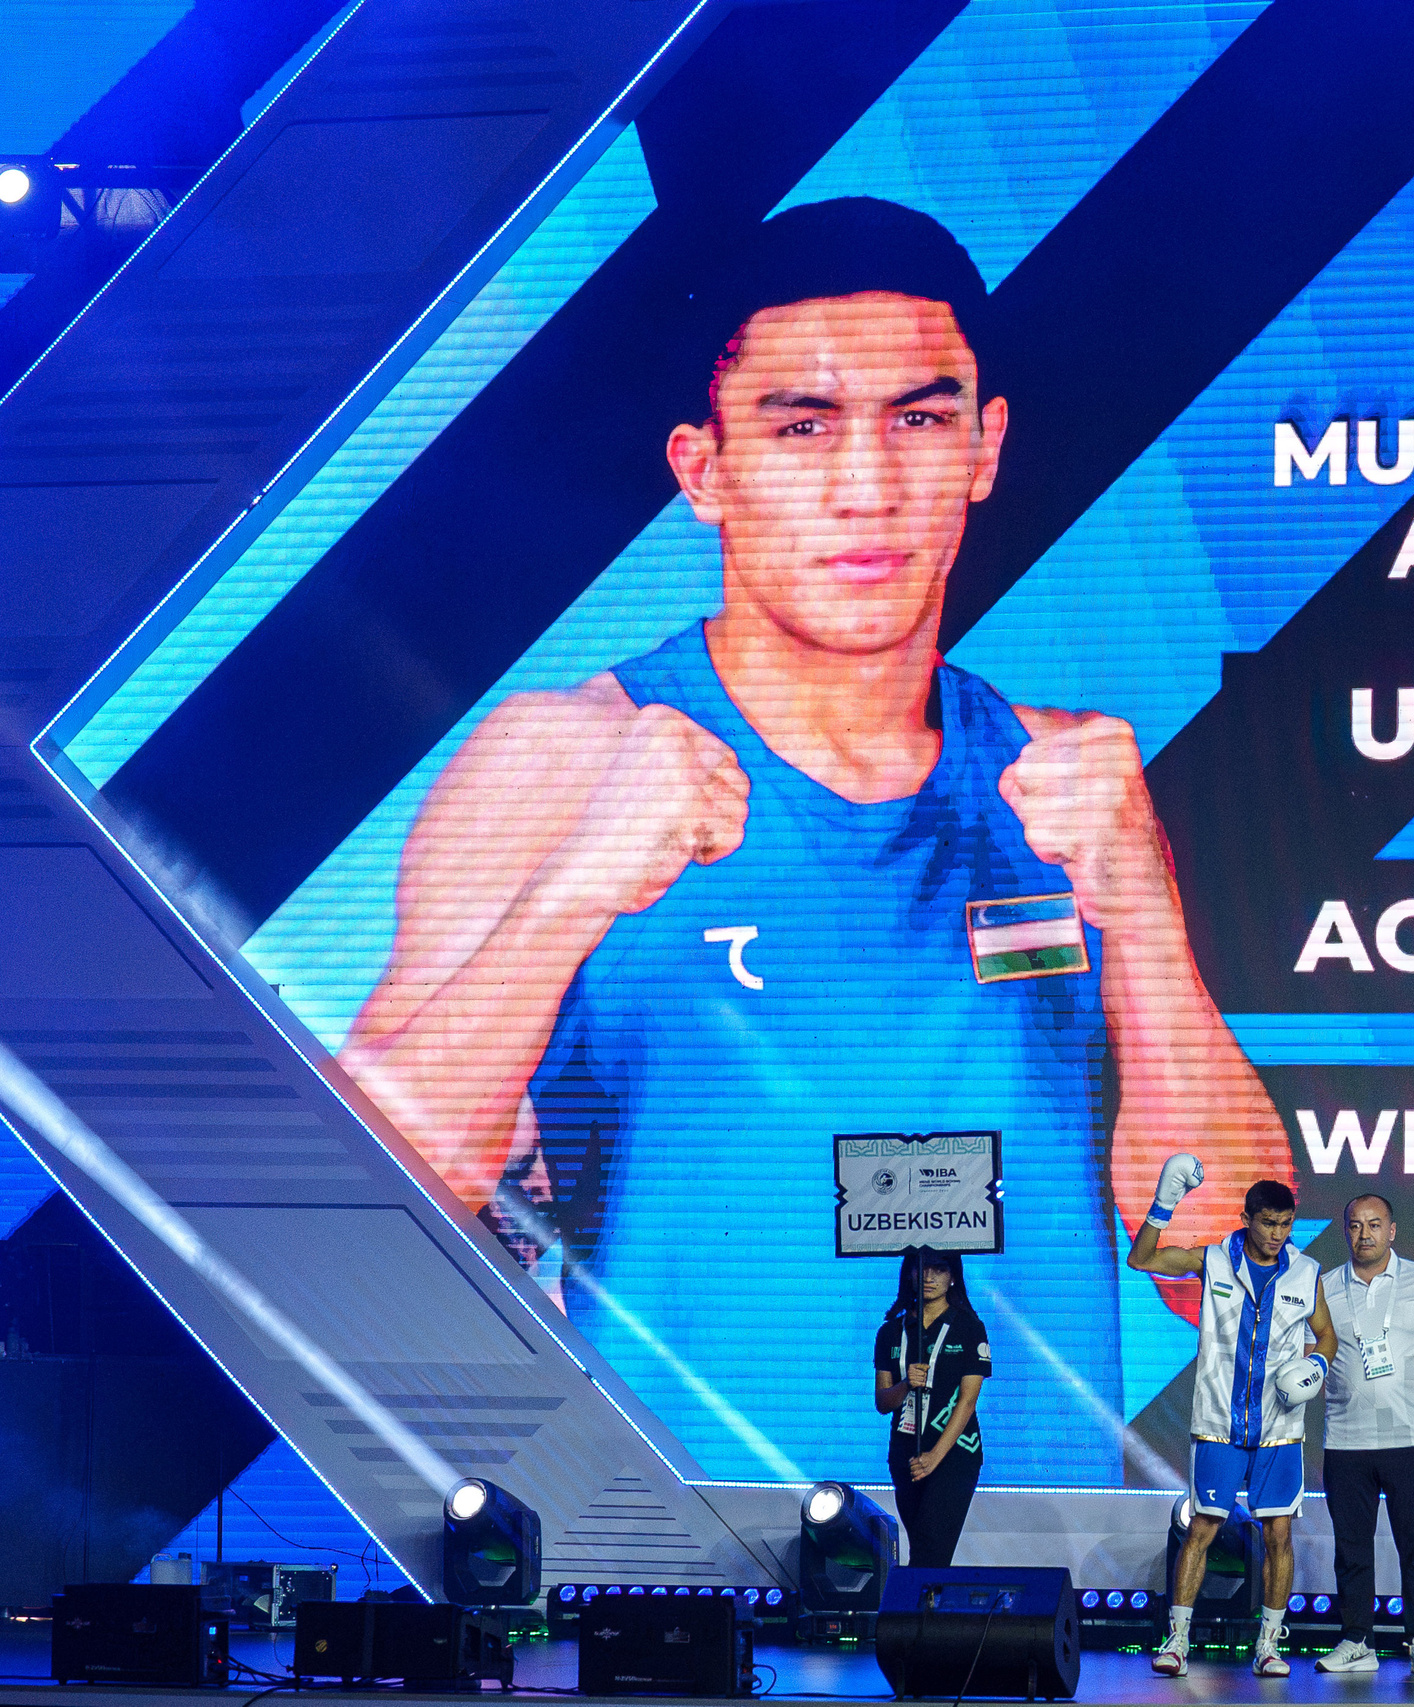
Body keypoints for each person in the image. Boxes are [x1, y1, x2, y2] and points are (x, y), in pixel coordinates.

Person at [333, 198, 1292, 1481]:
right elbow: (363, 1215)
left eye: (920, 417)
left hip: (1027, 1582)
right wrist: (571, 895)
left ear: (984, 447)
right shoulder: (564, 759)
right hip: (681, 1579)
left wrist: (1150, 934)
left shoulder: (1068, 782)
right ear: (704, 470)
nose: (867, 486)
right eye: (801, 427)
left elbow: (1217, 1263)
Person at [1128, 1159, 1338, 1679]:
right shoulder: (1213, 1260)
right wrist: (1165, 1200)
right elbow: (1141, 1258)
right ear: (1247, 1219)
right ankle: (1176, 1640)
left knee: (1278, 1535)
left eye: (1285, 1223)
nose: (1277, 1233)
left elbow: (1326, 1335)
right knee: (1202, 1527)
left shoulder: (1306, 1273)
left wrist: (1317, 1362)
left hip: (1280, 1428)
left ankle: (1268, 1645)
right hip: (1218, 1421)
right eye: (1268, 1222)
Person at [1310, 1192, 1414, 1677]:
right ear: (1345, 1232)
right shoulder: (1324, 1286)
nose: (1365, 1234)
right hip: (1346, 1440)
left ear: (1391, 1231)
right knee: (1351, 1548)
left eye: (1374, 1225)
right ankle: (1357, 1640)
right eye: (1355, 1226)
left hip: (1410, 1438)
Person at [872, 1247, 990, 1568]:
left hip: (954, 1455)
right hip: (905, 1455)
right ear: (908, 1273)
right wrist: (906, 1384)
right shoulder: (890, 1332)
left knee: (930, 1554)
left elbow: (967, 1401)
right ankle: (925, 1608)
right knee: (923, 1550)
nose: (928, 1277)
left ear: (953, 1276)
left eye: (939, 1269)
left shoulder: (969, 1328)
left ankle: (916, 1615)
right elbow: (883, 1402)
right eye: (920, 1268)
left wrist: (934, 1457)